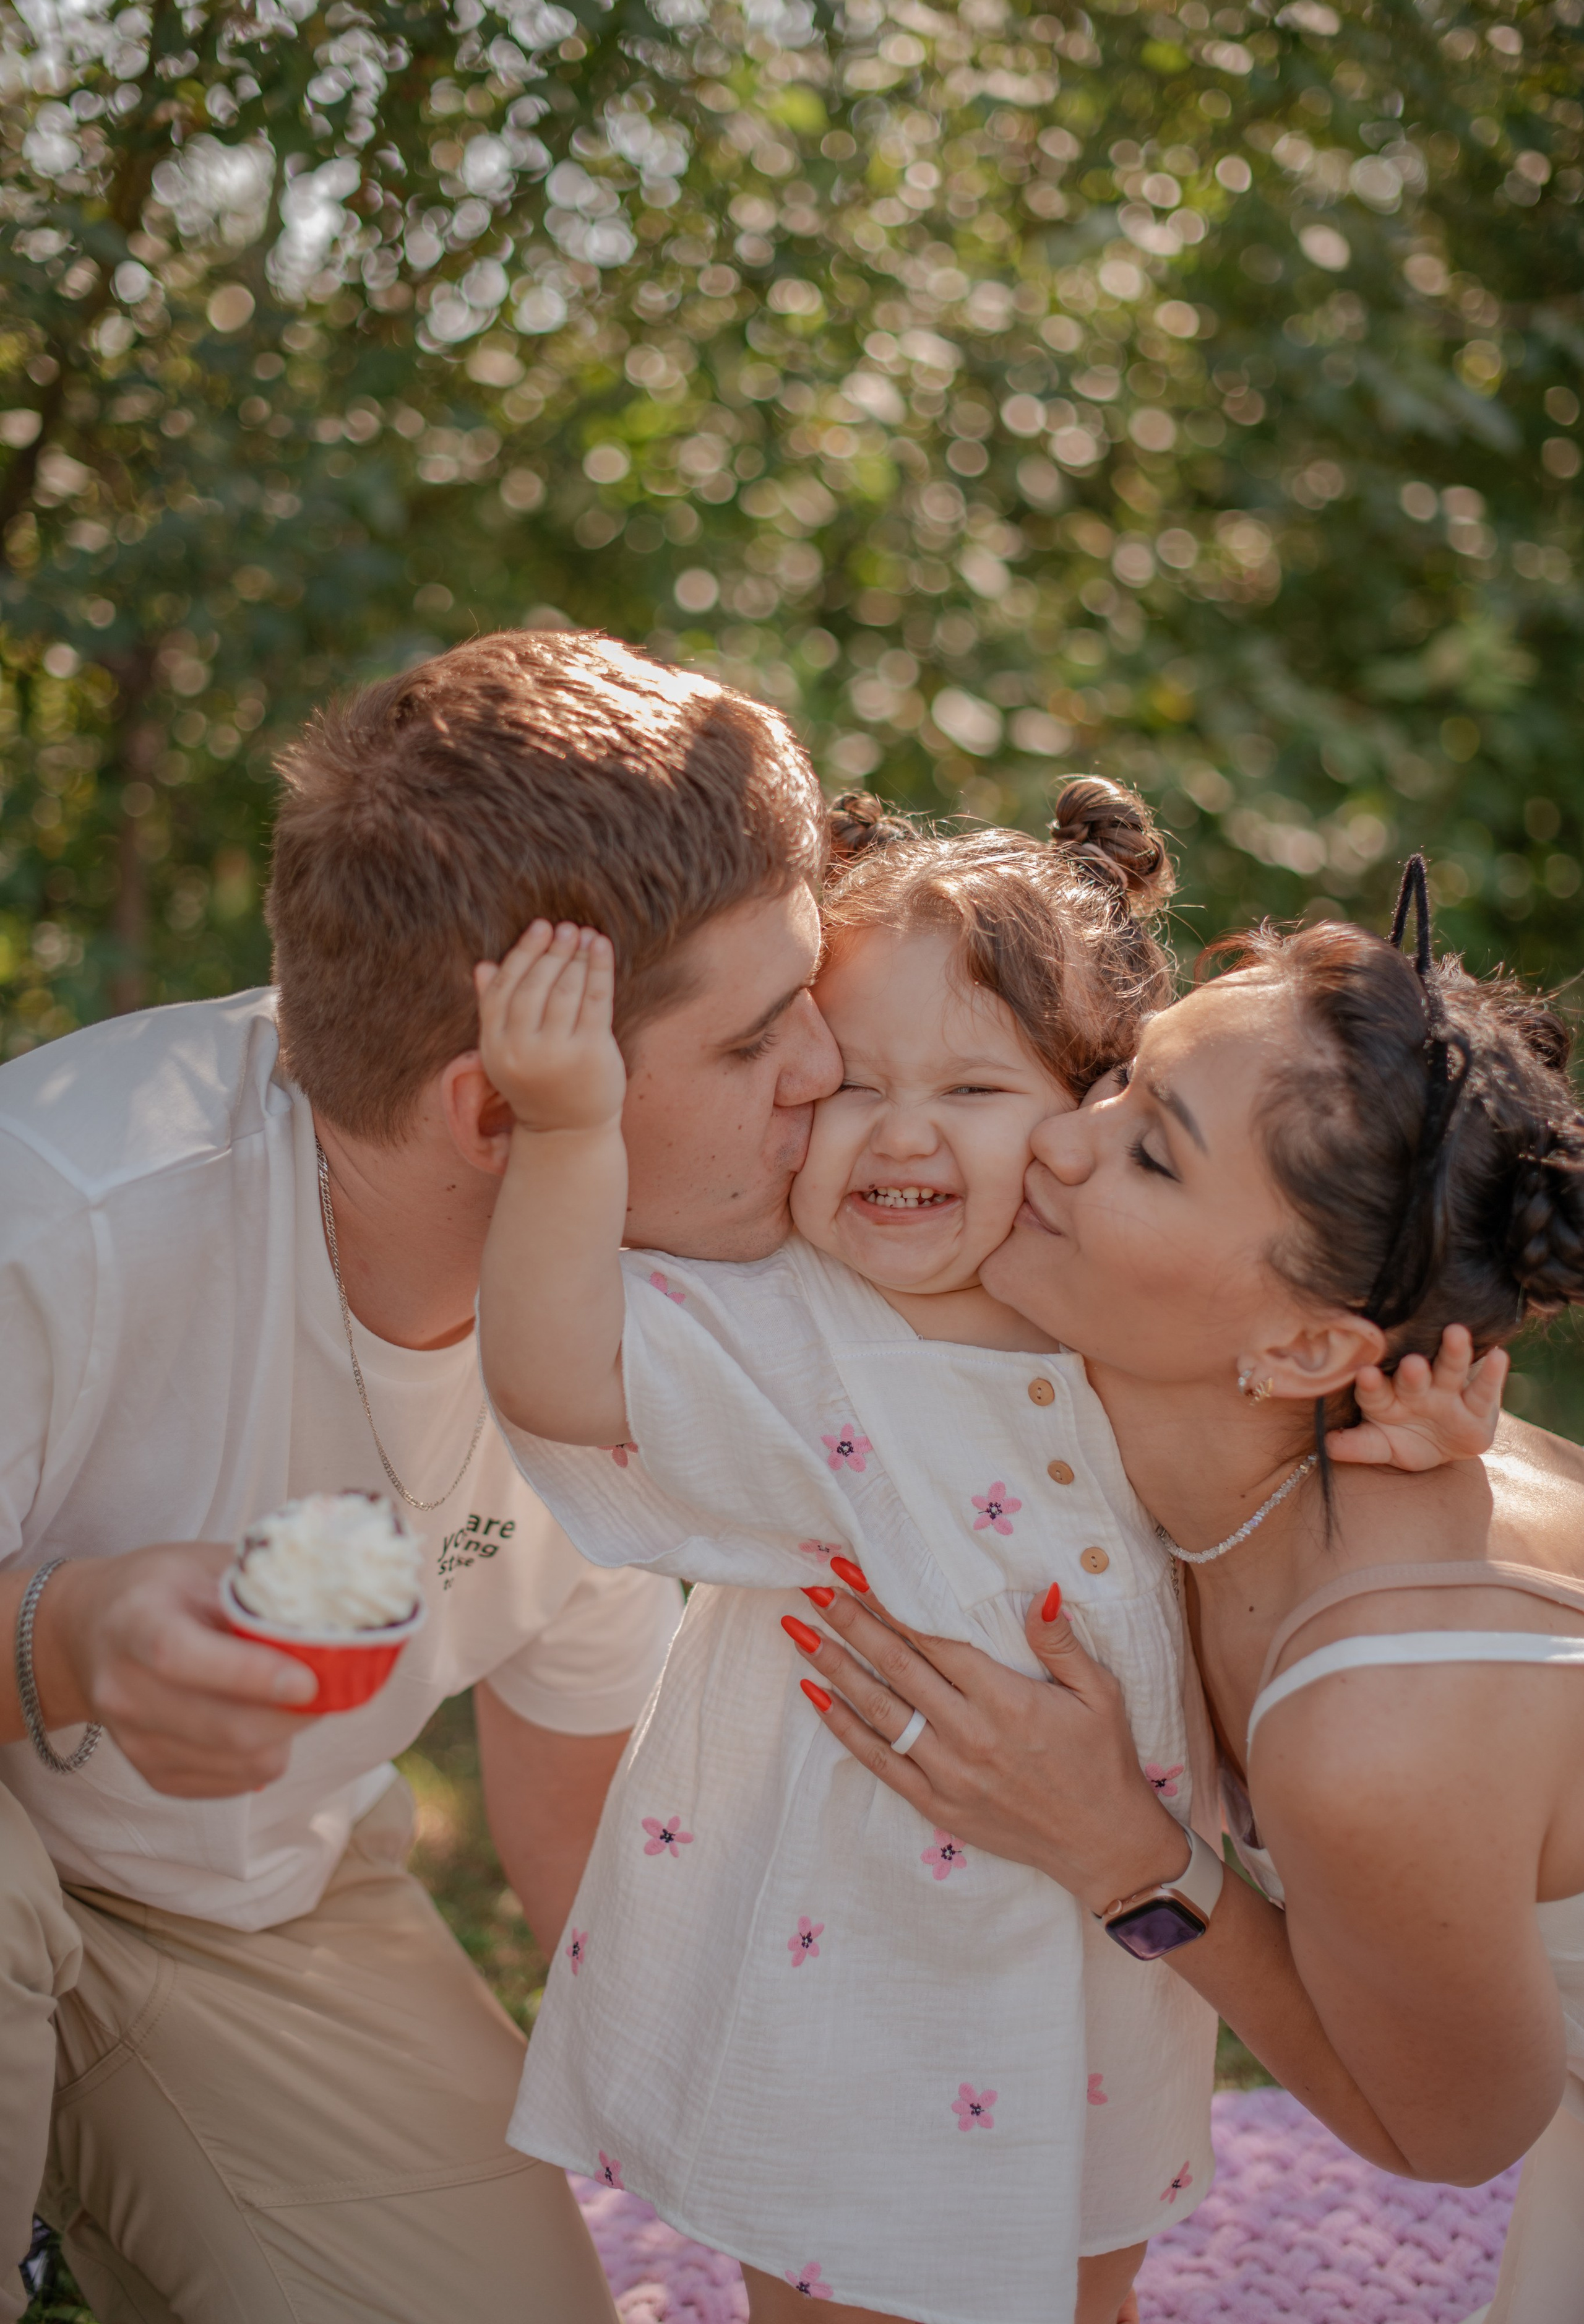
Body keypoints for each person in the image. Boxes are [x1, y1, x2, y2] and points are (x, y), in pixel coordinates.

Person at [470, 808, 1494, 2324]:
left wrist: (1416, 1422)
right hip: (859, 1975)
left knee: (1092, 2273)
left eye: (969, 1088)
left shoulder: (1113, 1315)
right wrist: (567, 1133)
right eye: (852, 1085)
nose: (898, 1133)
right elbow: (559, 1374)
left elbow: (1277, 1382)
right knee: (848, 2285)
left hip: (1096, 1985)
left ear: (1079, 1115)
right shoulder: (803, 1332)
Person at [0, 629, 836, 2324]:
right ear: (498, 1111)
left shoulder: (653, 1320)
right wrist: (67, 1639)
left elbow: (582, 1815)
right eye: (754, 1048)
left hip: (266, 1902)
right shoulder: (57, 1218)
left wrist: (837, 2212)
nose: (825, 1075)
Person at [796, 872, 1584, 2323]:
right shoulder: (1272, 1439)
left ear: (1300, 1348)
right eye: (1116, 1080)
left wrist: (1124, 1854)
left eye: (1149, 1155)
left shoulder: (1372, 1723)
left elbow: (1453, 2132)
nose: (1057, 1133)